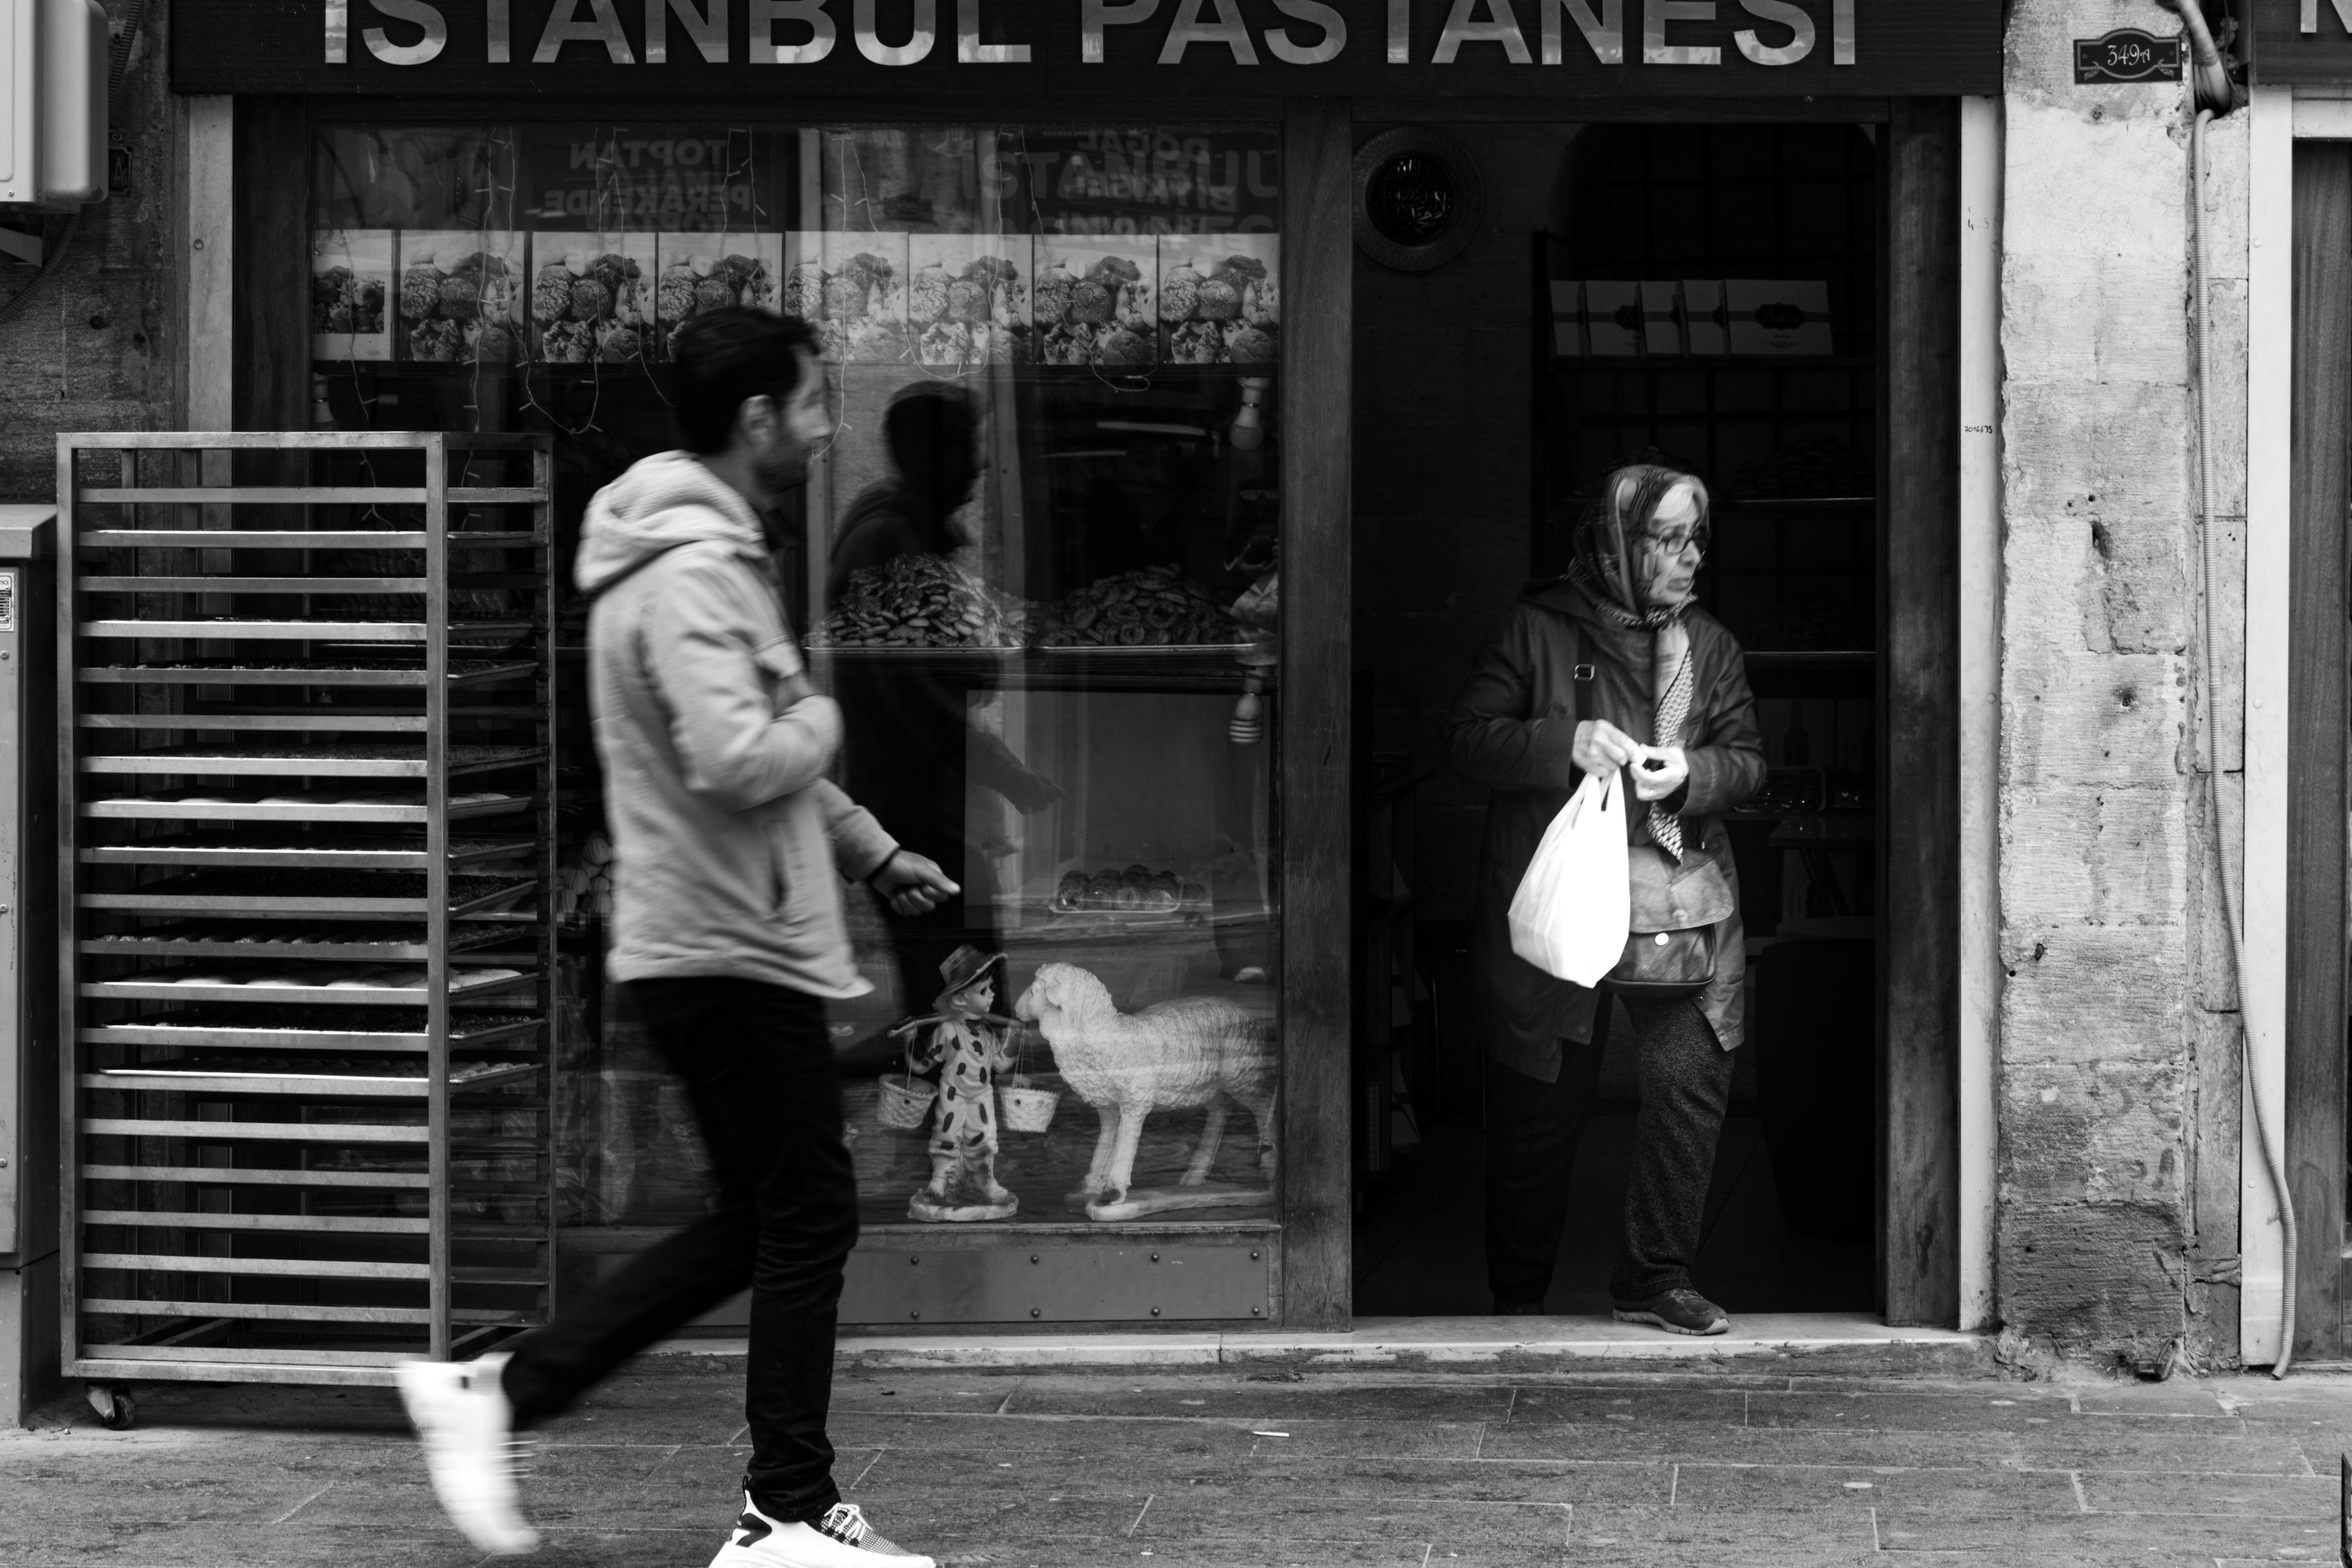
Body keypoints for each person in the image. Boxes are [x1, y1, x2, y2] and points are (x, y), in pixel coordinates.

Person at [395, 307, 957, 1568]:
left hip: (715, 934)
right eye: (814, 405)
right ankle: (773, 1508)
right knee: (802, 1214)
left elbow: (760, 758)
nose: (826, 430)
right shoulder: (695, 570)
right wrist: (827, 709)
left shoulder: (704, 553)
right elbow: (742, 752)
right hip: (721, 941)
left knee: (770, 1216)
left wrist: (873, 849)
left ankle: (761, 1495)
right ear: (759, 418)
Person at [1444, 463, 1765, 1336]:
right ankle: (1516, 1299)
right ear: (1621, 543)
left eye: (1697, 536)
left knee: (1688, 1077)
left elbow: (1749, 759)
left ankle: (1654, 1276)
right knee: (1538, 1104)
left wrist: (1695, 772)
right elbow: (1468, 741)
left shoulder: (1713, 646)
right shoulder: (1537, 628)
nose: (1688, 555)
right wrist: (1564, 741)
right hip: (1562, 902)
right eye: (1667, 537)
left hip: (1678, 902)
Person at [826, 384, 1057, 1039]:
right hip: (912, 809)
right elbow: (913, 695)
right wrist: (1004, 769)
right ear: (926, 455)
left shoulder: (911, 532)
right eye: (965, 446)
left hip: (927, 802)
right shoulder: (888, 541)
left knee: (960, 978)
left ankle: (953, 1097)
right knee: (959, 991)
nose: (980, 466)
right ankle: (951, 1112)